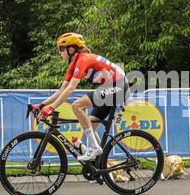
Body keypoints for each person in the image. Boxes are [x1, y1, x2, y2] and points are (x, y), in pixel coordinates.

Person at [34, 32, 129, 161]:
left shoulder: (83, 60)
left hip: (118, 86)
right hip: (109, 87)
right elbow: (62, 90)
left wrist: (51, 109)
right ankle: (99, 163)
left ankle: (94, 149)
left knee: (77, 105)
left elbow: (71, 89)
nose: (60, 52)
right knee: (89, 123)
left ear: (71, 49)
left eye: (62, 49)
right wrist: (42, 105)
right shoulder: (73, 65)